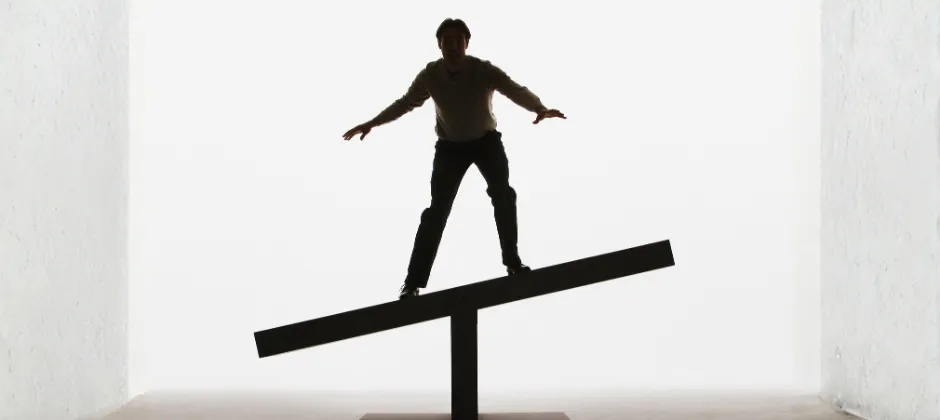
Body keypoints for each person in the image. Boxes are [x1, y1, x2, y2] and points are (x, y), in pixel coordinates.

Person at [342, 18, 566, 300]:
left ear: (466, 43)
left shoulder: (482, 69)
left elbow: (514, 89)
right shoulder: (430, 75)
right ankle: (412, 283)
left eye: (458, 41)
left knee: (503, 194)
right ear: (439, 45)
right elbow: (405, 103)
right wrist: (372, 123)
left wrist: (539, 108)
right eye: (447, 41)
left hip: (486, 143)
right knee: (436, 212)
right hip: (450, 149)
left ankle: (512, 262)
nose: (453, 47)